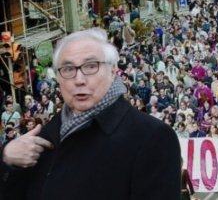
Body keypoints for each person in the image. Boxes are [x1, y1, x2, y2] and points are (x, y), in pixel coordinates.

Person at [0, 28, 181, 199]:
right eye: (68, 69)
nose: (79, 80)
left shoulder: (152, 137)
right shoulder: (43, 137)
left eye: (91, 66)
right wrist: (7, 160)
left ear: (112, 70)